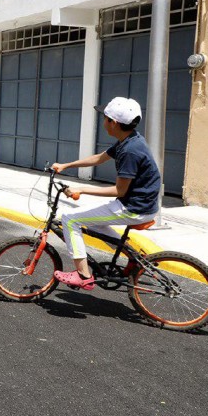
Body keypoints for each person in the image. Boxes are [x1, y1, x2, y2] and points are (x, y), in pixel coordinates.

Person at [51, 97, 161, 290]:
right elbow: (99, 158)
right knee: (95, 223)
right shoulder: (128, 139)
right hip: (140, 203)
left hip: (134, 208)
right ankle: (134, 257)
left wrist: (81, 189)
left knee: (69, 219)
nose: (103, 122)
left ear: (114, 123)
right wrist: (66, 165)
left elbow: (119, 190)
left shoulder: (130, 151)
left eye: (105, 118)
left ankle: (83, 275)